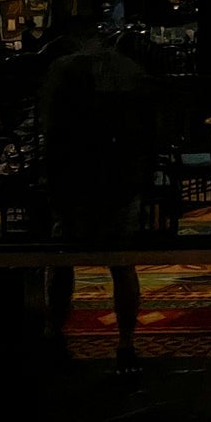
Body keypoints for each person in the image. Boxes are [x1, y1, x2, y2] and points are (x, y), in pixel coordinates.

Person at [40, 19, 157, 374]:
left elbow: (51, 131)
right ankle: (125, 343)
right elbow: (147, 129)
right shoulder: (128, 71)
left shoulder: (64, 70)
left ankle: (54, 334)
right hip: (120, 178)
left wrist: (53, 180)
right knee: (121, 264)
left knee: (61, 261)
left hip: (74, 179)